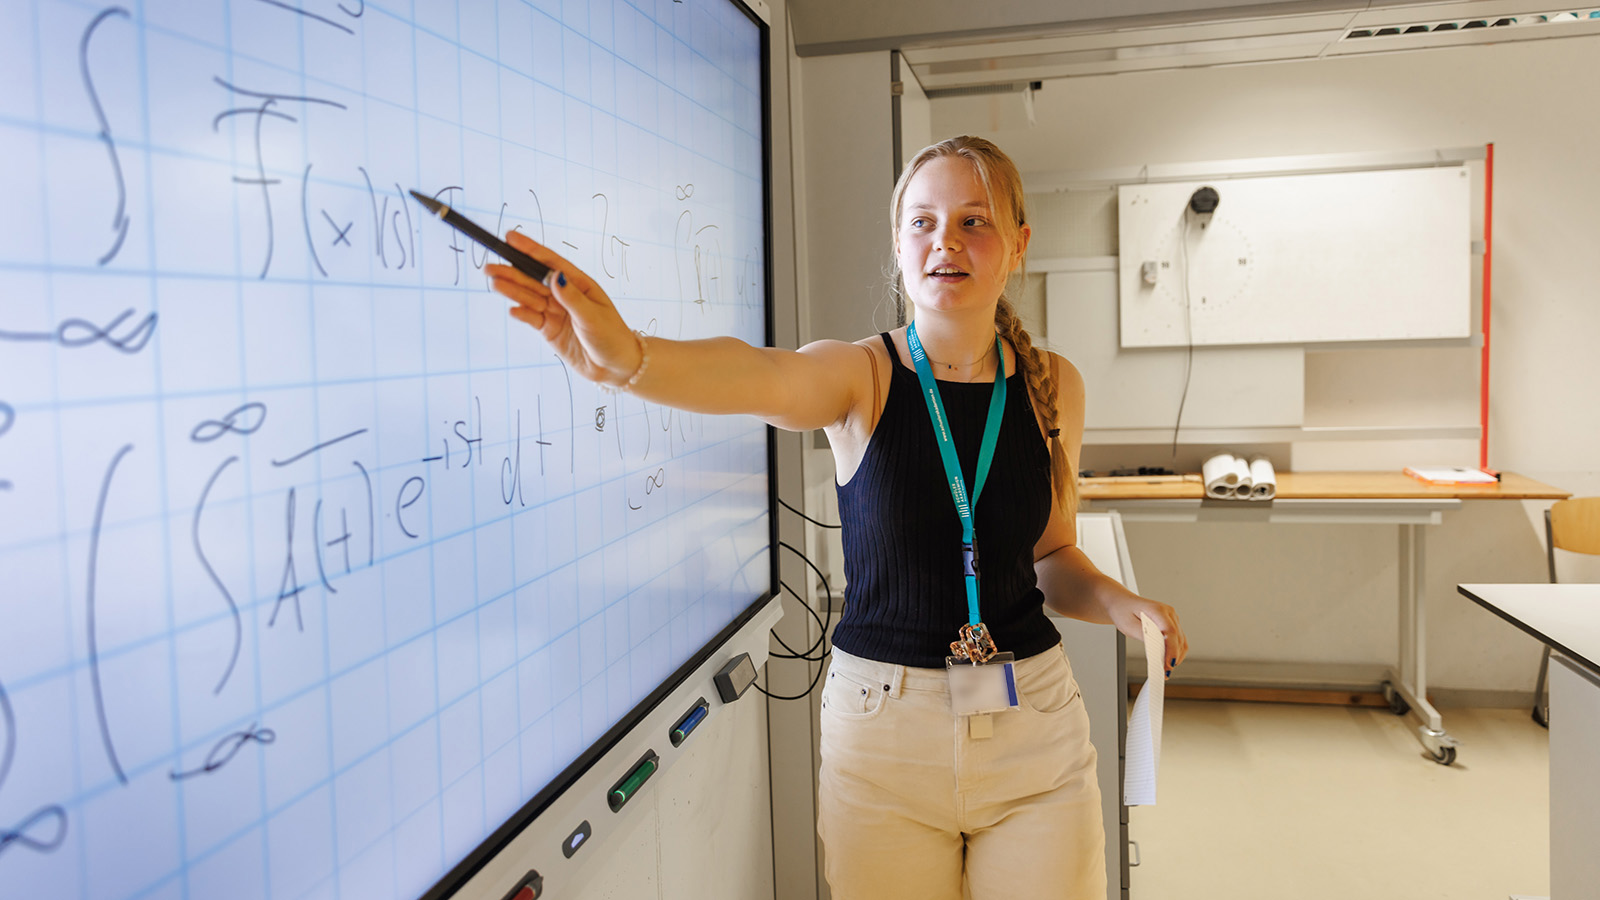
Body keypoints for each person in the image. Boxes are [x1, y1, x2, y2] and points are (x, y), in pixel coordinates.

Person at [488, 135, 1188, 900]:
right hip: (885, 737)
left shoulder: (1055, 385)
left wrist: (1119, 603)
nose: (945, 241)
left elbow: (1051, 556)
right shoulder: (861, 374)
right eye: (922, 222)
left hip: (1035, 726)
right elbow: (761, 375)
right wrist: (629, 356)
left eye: (973, 221)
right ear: (898, 244)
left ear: (1018, 244)